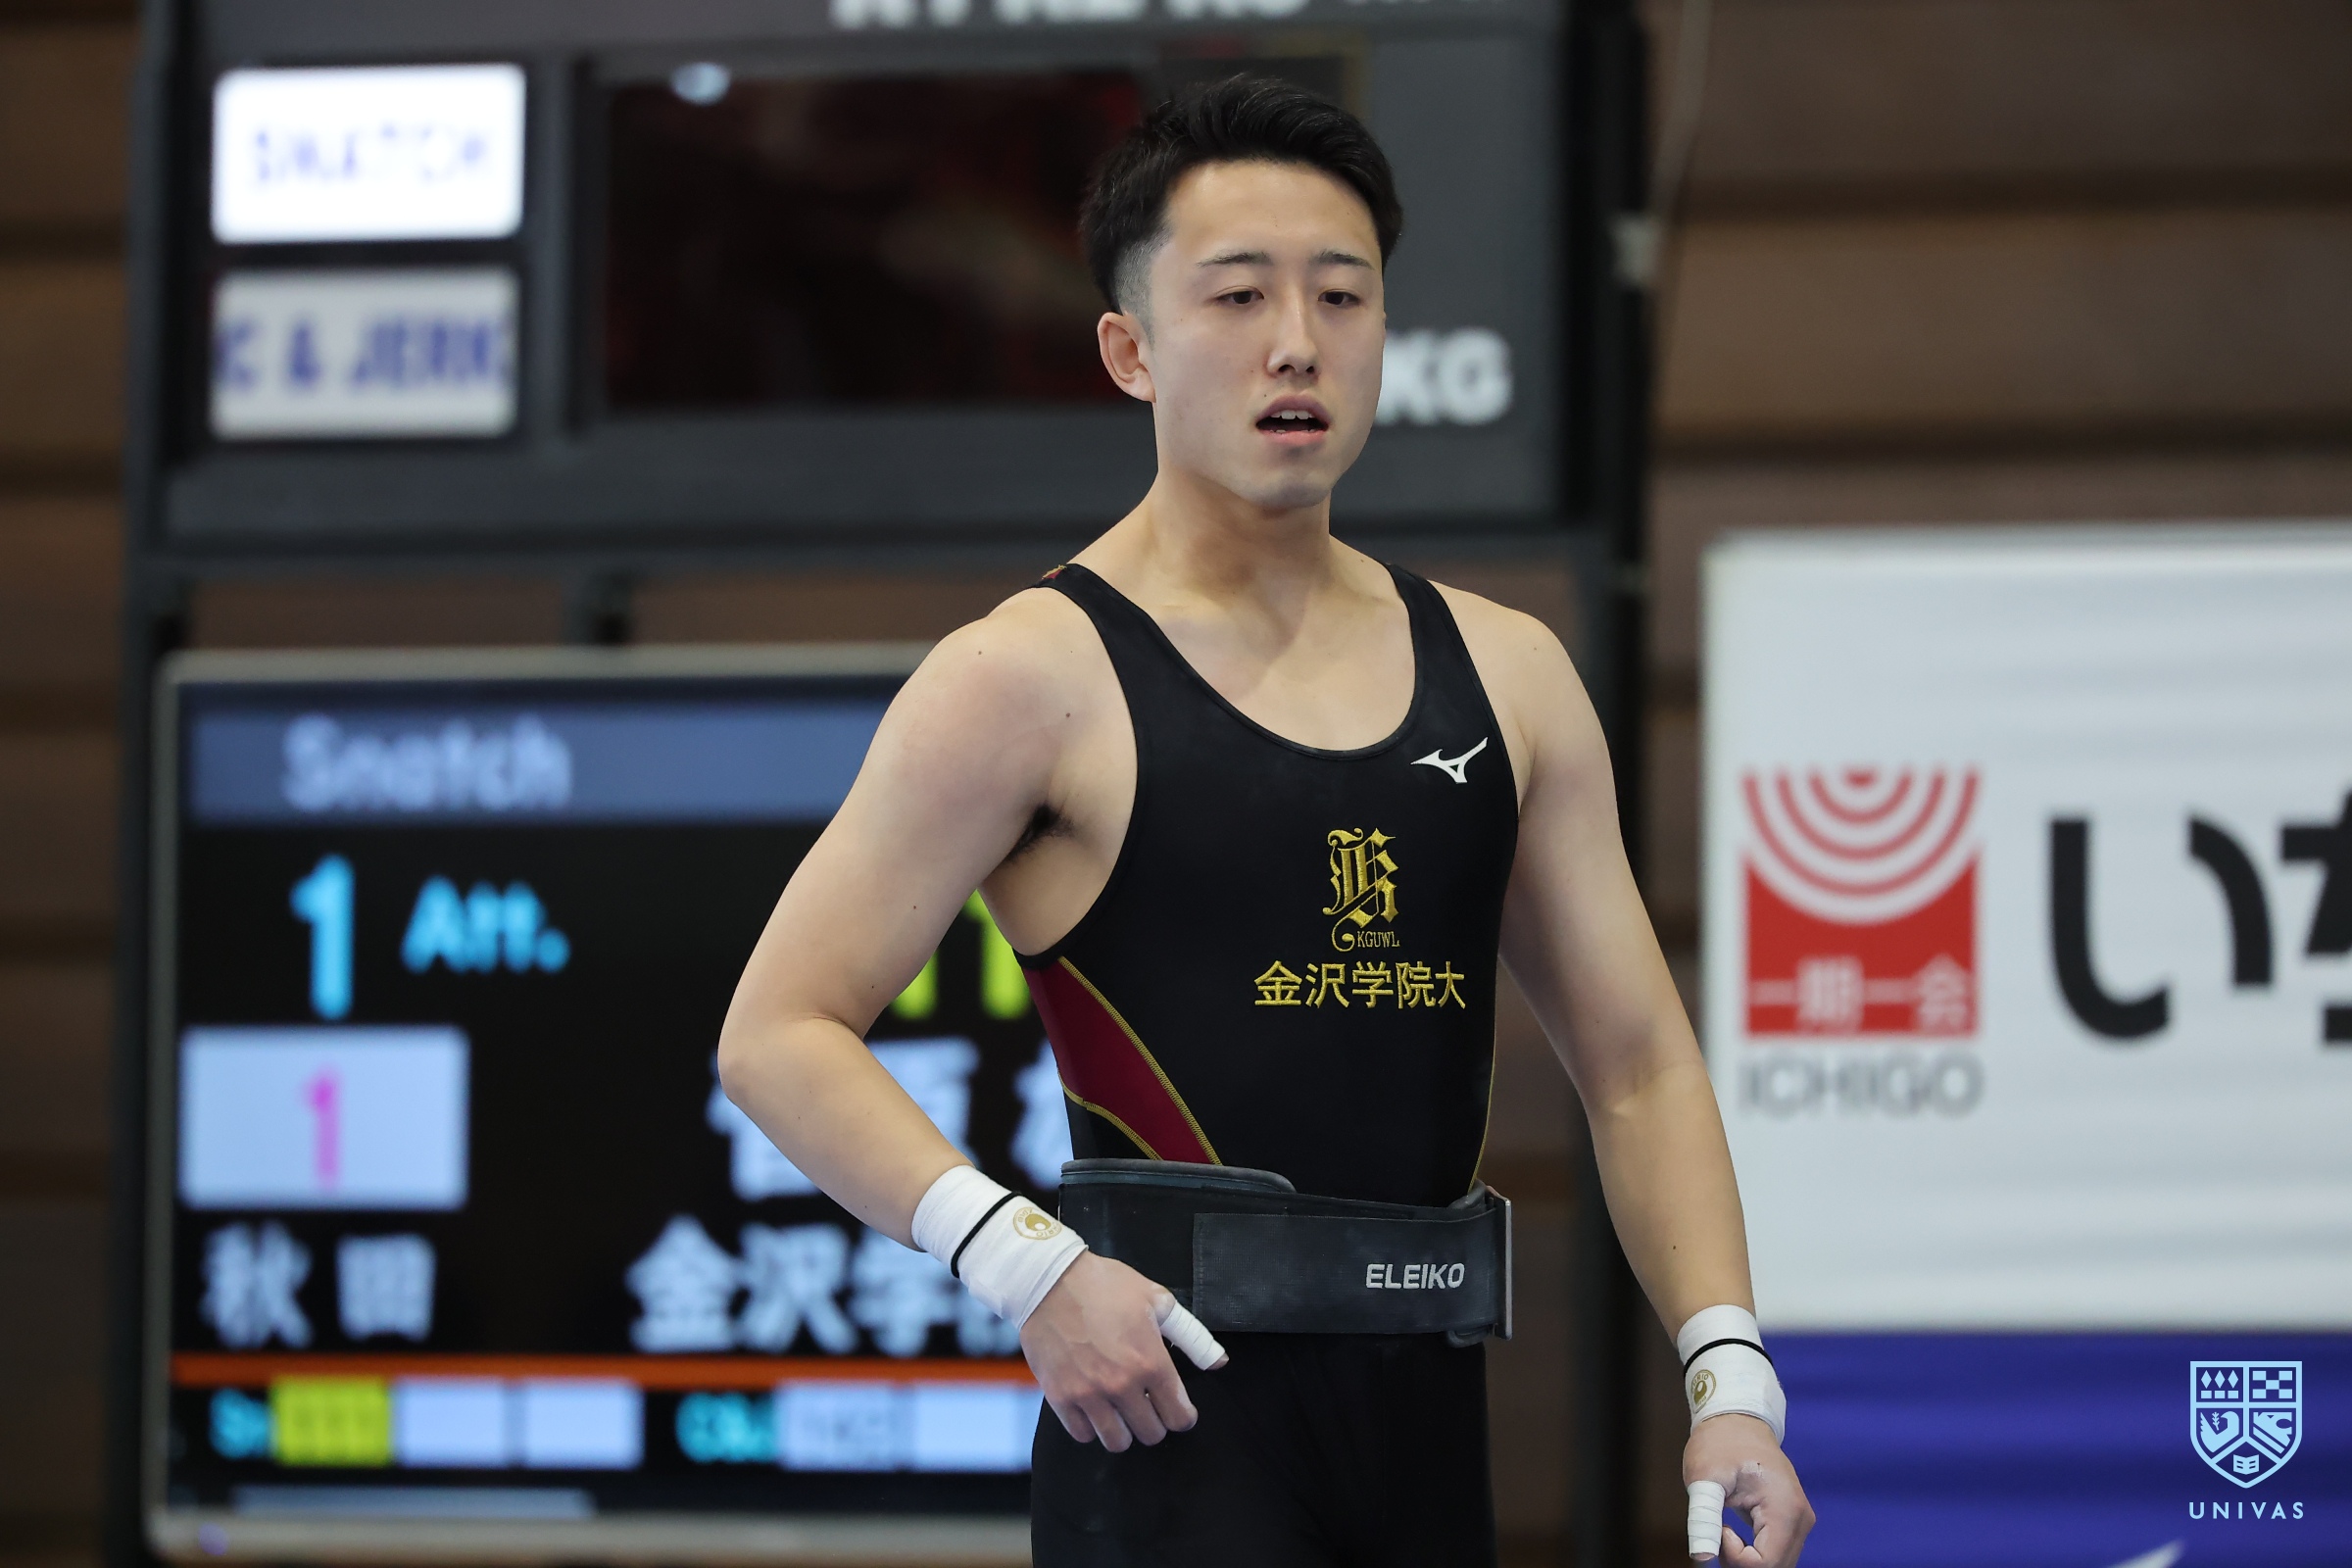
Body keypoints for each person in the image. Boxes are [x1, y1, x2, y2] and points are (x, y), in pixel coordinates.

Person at [717, 75, 1812, 1567]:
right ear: (1131, 349)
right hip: (1167, 1422)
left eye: (1341, 296)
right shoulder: (1027, 680)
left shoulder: (1510, 676)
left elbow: (1637, 1067)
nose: (1297, 341)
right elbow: (778, 1031)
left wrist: (1730, 1379)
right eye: (1237, 296)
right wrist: (1022, 1264)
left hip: (1426, 1422)